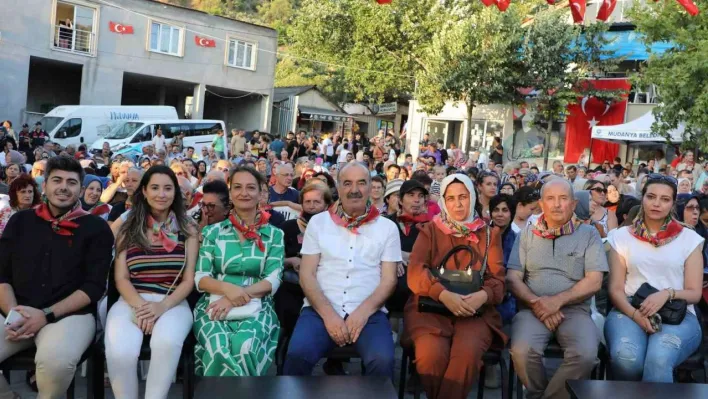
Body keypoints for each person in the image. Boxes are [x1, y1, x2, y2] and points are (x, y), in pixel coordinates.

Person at [0, 156, 113, 399]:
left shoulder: (96, 228)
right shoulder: (20, 221)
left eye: (71, 182)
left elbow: (94, 287)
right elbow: (2, 275)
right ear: (45, 186)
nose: (63, 187)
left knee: (55, 363)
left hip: (69, 316)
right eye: (57, 180)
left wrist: (46, 314)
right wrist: (13, 314)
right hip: (17, 311)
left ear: (80, 190)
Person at [283, 162, 401, 379]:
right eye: (347, 183)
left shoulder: (387, 228)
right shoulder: (318, 223)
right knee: (297, 355)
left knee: (382, 361)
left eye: (361, 183)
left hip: (369, 312)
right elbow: (307, 275)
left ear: (370, 187)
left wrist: (362, 313)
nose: (354, 189)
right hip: (319, 311)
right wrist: (329, 315)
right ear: (338, 187)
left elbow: (389, 281)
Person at [404, 174, 506, 399]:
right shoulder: (430, 230)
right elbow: (415, 272)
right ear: (443, 201)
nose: (457, 204)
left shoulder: (489, 234)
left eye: (463, 197)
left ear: (473, 197)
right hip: (433, 307)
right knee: (431, 355)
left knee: (466, 356)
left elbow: (498, 280)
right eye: (450, 198)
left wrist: (484, 295)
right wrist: (443, 295)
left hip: (475, 310)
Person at [507, 179, 608, 399]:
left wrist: (557, 301)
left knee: (586, 354)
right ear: (541, 204)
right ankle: (540, 393)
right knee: (522, 351)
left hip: (575, 311)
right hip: (532, 309)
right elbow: (513, 279)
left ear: (573, 204)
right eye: (550, 199)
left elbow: (594, 281)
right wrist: (539, 303)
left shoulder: (589, 234)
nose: (556, 205)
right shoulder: (527, 234)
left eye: (563, 199)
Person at [105, 166, 197, 399]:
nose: (161, 194)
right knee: (121, 351)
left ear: (175, 193)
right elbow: (121, 278)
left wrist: (161, 307)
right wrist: (142, 308)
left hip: (172, 302)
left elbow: (188, 281)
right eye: (155, 188)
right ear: (144, 191)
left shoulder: (188, 230)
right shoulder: (129, 228)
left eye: (168, 188)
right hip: (131, 300)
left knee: (166, 344)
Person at [605, 176, 703, 382]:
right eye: (651, 196)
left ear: (673, 203)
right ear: (642, 198)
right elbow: (615, 290)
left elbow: (695, 293)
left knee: (659, 359)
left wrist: (666, 294)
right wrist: (635, 315)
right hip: (629, 308)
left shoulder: (689, 238)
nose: (657, 203)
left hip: (679, 313)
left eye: (665, 199)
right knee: (627, 358)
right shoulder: (622, 237)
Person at [193, 166, 284, 376]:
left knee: (244, 346)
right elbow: (201, 278)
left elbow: (272, 281)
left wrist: (234, 298)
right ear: (231, 193)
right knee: (218, 347)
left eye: (251, 187)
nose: (244, 193)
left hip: (258, 306)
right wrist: (227, 290)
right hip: (212, 305)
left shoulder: (274, 234)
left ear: (261, 193)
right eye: (238, 187)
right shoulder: (212, 232)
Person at [275, 183, 333, 339]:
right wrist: (291, 260)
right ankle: (287, 345)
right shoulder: (287, 227)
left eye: (317, 202)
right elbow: (274, 259)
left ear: (326, 205)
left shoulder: (334, 230)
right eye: (307, 202)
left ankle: (335, 359)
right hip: (293, 284)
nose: (312, 206)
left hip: (325, 285)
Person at [384, 180, 432, 313]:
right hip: (387, 299)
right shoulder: (386, 224)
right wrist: (395, 256)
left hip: (418, 300)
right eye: (411, 195)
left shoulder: (429, 228)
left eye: (420, 196)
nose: (416, 200)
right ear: (400, 200)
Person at [489, 193, 518, 323]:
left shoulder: (518, 240)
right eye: (496, 210)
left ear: (511, 213)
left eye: (505, 210)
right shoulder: (481, 236)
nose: (500, 214)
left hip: (508, 298)